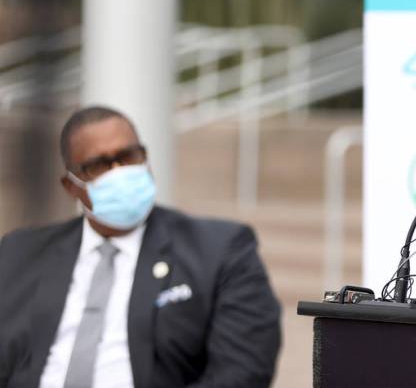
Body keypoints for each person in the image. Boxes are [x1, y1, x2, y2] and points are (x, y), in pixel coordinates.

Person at [0, 106, 281, 387]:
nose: (119, 173)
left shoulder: (220, 250)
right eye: (99, 165)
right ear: (71, 186)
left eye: (128, 156)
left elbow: (243, 371)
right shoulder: (19, 253)